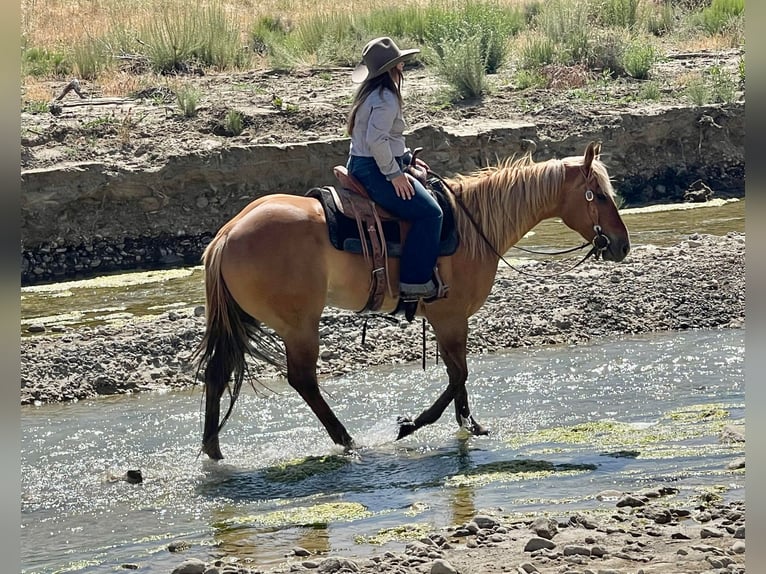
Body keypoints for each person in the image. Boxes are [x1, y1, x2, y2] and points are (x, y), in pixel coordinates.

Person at [346, 36, 444, 303]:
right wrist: (395, 174)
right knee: (431, 214)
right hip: (375, 168)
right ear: (392, 68)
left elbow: (384, 138)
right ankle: (414, 282)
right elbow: (377, 142)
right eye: (399, 63)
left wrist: (407, 158)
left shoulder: (369, 94)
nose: (402, 68)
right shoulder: (387, 98)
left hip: (362, 162)